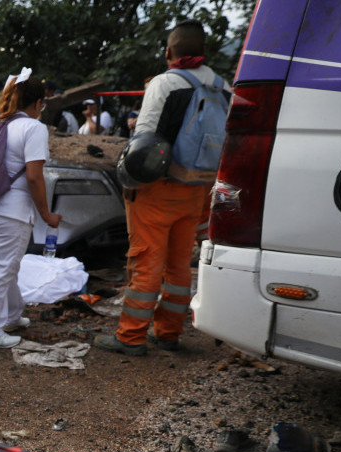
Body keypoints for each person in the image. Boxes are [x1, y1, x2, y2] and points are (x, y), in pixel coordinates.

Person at [97, 20, 228, 356]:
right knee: (180, 265)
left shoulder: (165, 83)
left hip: (159, 188)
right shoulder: (222, 87)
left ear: (169, 52)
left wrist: (129, 181)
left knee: (146, 262)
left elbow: (144, 142)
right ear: (203, 52)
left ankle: (131, 337)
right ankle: (168, 332)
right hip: (198, 188)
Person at [0, 69, 64, 350]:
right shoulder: (33, 128)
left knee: (4, 265)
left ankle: (12, 315)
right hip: (12, 210)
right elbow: (35, 177)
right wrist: (47, 215)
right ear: (38, 103)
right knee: (3, 268)